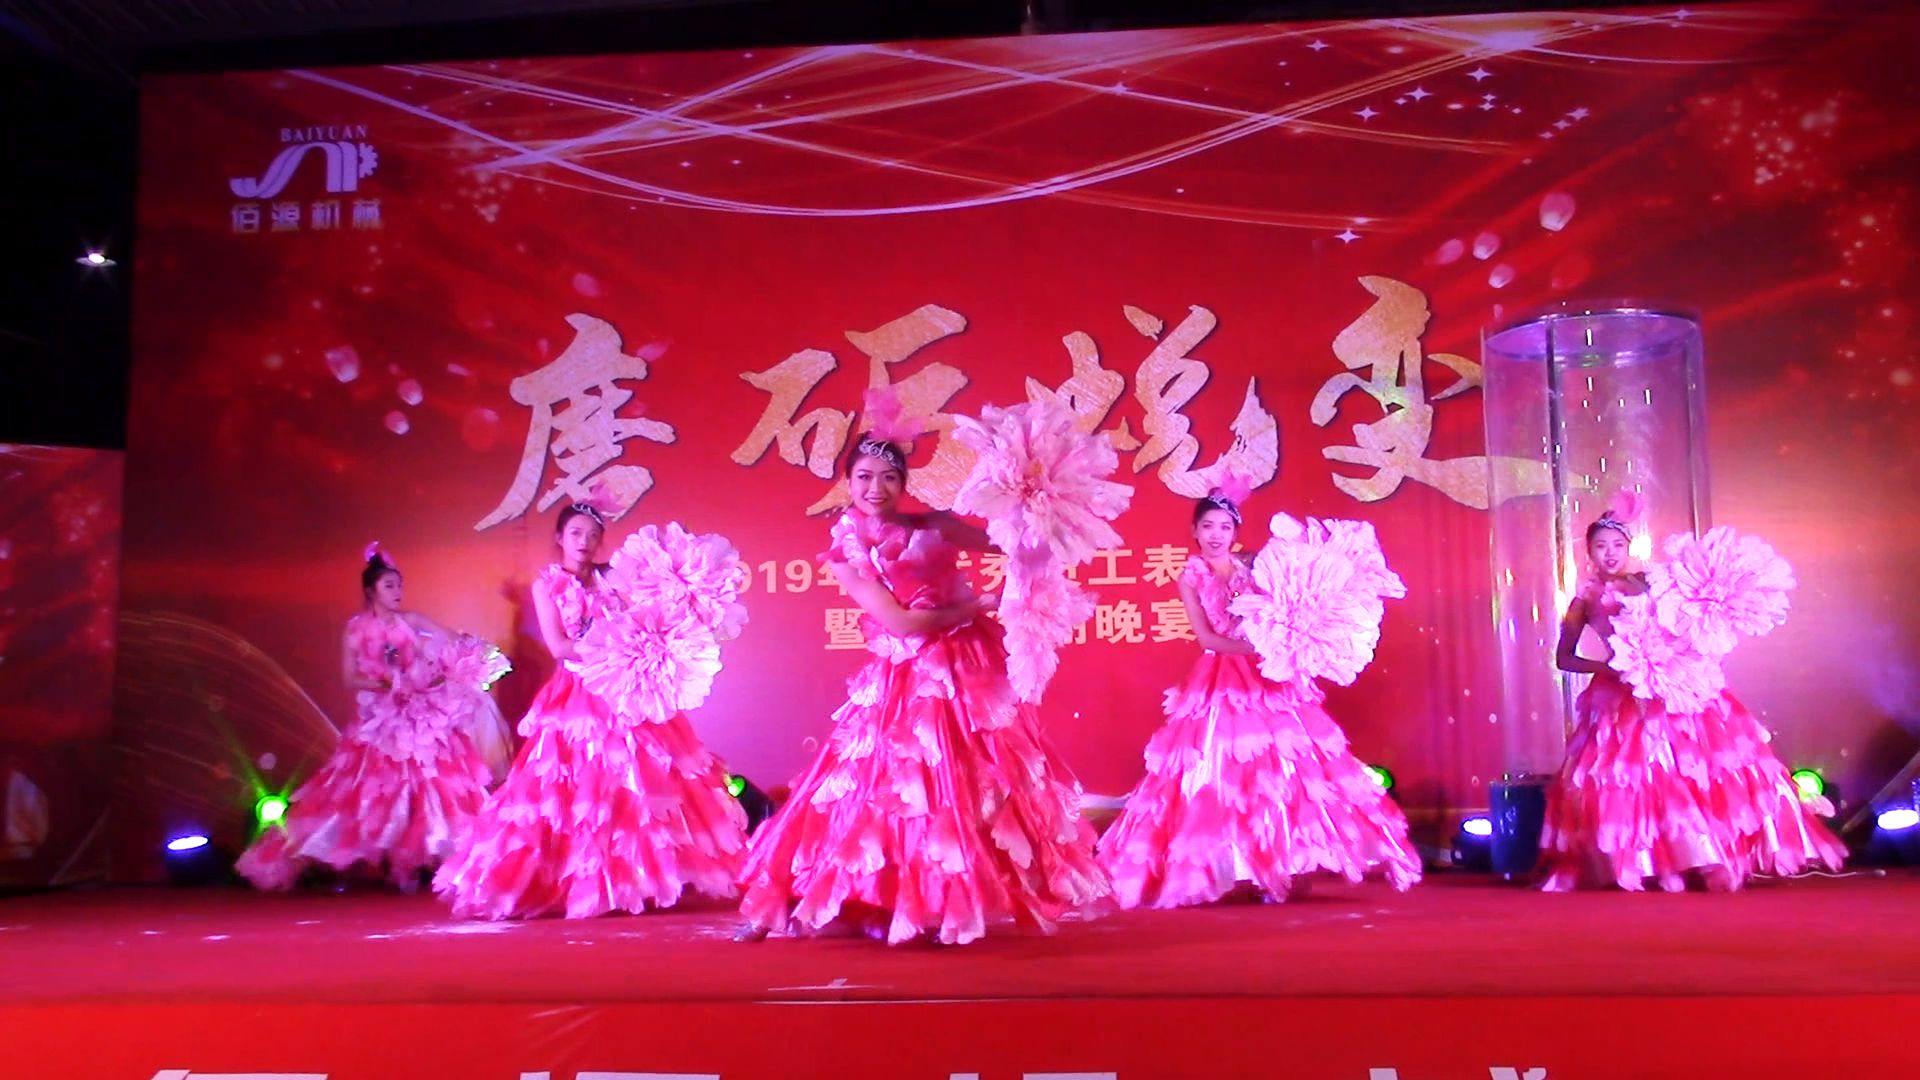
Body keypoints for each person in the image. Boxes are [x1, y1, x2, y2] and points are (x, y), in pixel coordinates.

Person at [736, 422, 1109, 945]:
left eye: (889, 477)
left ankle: (949, 898)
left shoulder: (934, 524)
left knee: (977, 780)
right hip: (904, 674)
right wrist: (975, 606)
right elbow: (902, 623)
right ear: (849, 482)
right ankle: (794, 898)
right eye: (865, 477)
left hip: (968, 669)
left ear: (904, 482)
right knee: (874, 787)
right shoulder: (845, 554)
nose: (876, 488)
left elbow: (1011, 546)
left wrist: (1031, 506)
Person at [1096, 486, 1421, 907]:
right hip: (1224, 676)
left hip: (1272, 676)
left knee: (1288, 767)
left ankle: (1283, 862)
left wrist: (1292, 638)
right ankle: (1233, 866)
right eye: (1208, 526)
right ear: (1194, 531)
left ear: (1235, 531)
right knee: (1221, 771)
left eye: (1224, 527)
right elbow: (1207, 638)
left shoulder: (1253, 565)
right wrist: (1261, 648)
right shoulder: (1191, 577)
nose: (1216, 534)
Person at [434, 503, 748, 918]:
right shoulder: (547, 585)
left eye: (593, 535)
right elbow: (559, 647)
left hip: (624, 688)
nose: (584, 542)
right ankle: (579, 880)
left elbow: (647, 614)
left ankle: (637, 878)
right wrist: (612, 644)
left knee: (640, 783)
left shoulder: (612, 578)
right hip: (578, 694)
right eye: (576, 534)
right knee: (579, 791)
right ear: (560, 538)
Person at [237, 543, 497, 892]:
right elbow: (350, 677)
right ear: (371, 590)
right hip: (381, 715)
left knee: (435, 782)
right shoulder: (356, 629)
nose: (397, 592)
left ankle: (434, 860)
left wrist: (453, 664)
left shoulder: (411, 621)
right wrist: (385, 683)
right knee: (369, 784)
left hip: (419, 713)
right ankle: (377, 858)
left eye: (399, 585)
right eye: (389, 586)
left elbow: (454, 641)